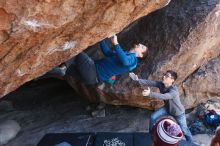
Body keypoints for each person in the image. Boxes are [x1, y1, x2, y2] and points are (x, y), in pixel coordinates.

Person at [129, 70, 193, 144]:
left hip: (178, 113)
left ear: (172, 80)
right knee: (153, 117)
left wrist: (150, 93)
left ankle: (191, 143)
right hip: (167, 109)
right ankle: (151, 133)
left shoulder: (174, 91)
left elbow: (165, 96)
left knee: (184, 130)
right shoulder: (161, 84)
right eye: (164, 74)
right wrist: (137, 79)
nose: (164, 76)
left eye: (167, 76)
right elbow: (149, 82)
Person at [65, 34, 148, 85]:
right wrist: (101, 39)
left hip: (93, 72)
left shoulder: (133, 61)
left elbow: (125, 61)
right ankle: (62, 68)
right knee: (68, 69)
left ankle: (63, 66)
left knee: (76, 52)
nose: (140, 44)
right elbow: (108, 53)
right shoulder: (125, 53)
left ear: (140, 55)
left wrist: (116, 43)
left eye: (142, 47)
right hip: (92, 76)